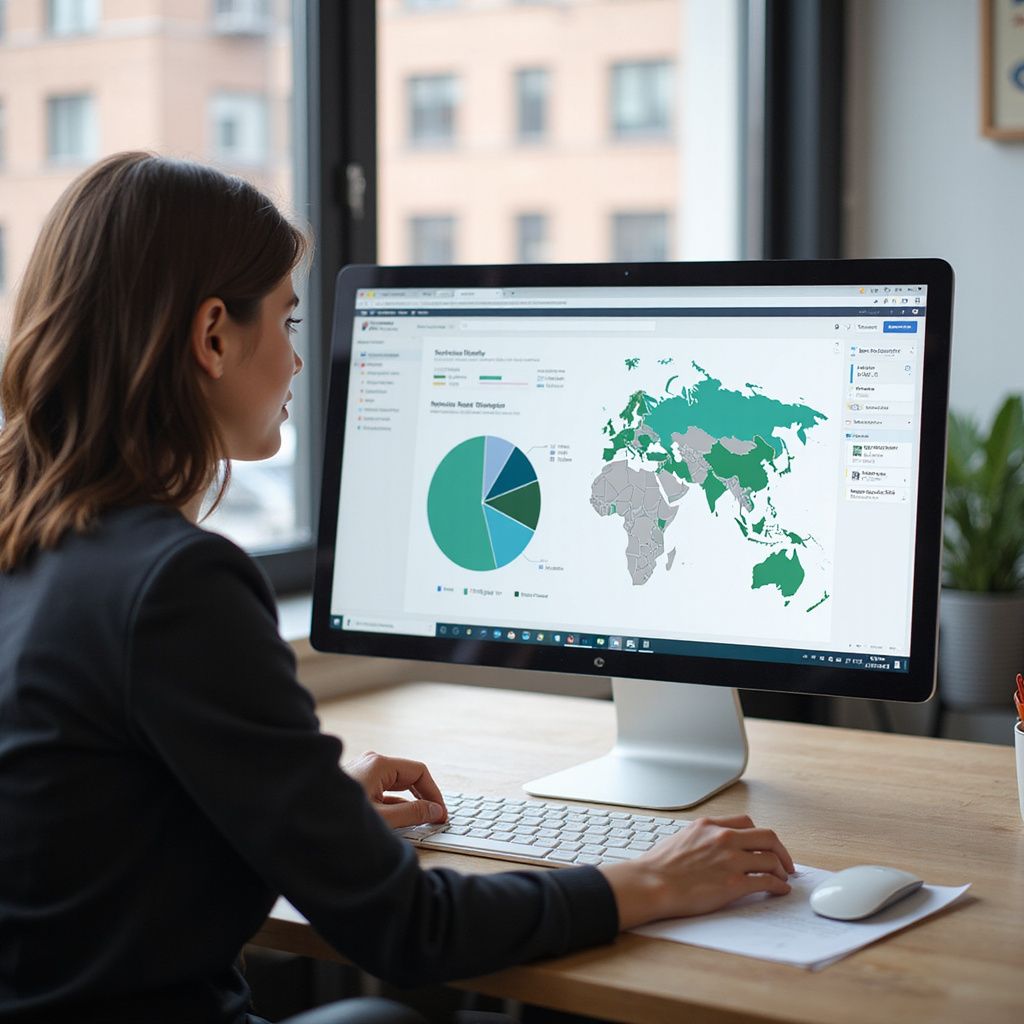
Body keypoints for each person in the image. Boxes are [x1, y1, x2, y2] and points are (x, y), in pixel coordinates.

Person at [0, 152, 795, 1024]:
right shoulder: (175, 587)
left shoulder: (34, 548)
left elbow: (95, 824)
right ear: (213, 335)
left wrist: (312, 807)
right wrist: (644, 881)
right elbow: (408, 931)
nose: (300, 362)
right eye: (290, 322)